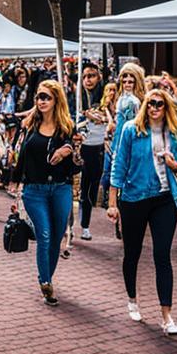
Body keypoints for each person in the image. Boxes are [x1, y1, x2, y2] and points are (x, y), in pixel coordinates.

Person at [107, 88, 177, 335]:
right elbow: (119, 165)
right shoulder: (131, 130)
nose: (154, 107)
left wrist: (175, 165)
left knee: (162, 255)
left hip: (164, 198)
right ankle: (132, 298)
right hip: (134, 198)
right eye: (150, 103)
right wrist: (112, 203)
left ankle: (167, 316)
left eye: (159, 104)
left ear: (166, 107)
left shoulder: (176, 133)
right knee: (132, 253)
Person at [10, 80, 77, 307]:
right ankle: (45, 282)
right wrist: (14, 180)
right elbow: (21, 154)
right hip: (34, 190)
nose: (42, 101)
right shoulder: (29, 124)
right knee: (45, 235)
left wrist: (67, 149)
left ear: (56, 100)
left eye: (46, 97)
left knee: (57, 237)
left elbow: (74, 149)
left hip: (61, 187)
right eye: (39, 97)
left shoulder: (66, 126)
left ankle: (48, 278)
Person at [74, 62, 107, 241]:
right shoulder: (76, 95)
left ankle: (85, 224)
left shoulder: (105, 95)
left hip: (98, 146)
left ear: (98, 77)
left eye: (92, 76)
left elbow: (110, 117)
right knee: (75, 186)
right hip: (79, 146)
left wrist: (102, 117)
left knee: (90, 188)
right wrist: (85, 114)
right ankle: (71, 224)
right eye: (85, 76)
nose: (88, 80)